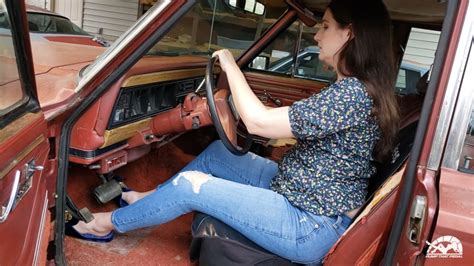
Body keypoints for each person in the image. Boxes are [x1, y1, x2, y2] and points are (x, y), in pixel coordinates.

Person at [69, 0, 399, 263]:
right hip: (303, 191)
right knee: (218, 154)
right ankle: (148, 198)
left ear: (350, 33)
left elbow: (258, 122)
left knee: (191, 186)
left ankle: (105, 226)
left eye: (325, 26)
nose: (316, 35)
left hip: (309, 223)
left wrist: (229, 63)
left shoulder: (352, 95)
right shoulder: (354, 89)